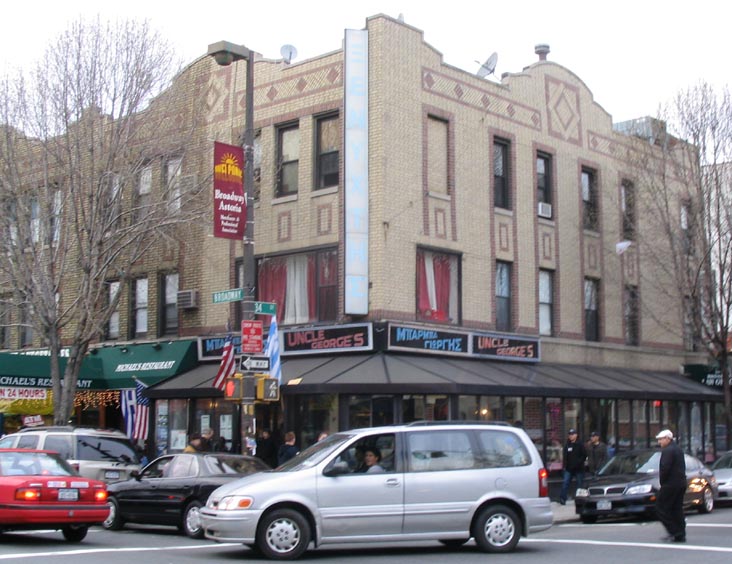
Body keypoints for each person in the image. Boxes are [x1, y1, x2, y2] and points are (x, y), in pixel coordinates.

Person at [656, 429, 687, 543]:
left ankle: (674, 531)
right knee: (677, 508)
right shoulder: (678, 449)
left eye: (661, 439)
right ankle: (680, 533)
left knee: (661, 508)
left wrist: (662, 483)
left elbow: (665, 468)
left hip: (670, 484)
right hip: (681, 483)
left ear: (668, 438)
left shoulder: (668, 451)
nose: (659, 442)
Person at [559, 428, 587, 505]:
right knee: (565, 483)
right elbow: (565, 457)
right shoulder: (567, 445)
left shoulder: (580, 444)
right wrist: (564, 466)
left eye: (572, 434)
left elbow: (584, 455)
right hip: (569, 469)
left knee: (579, 484)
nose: (571, 436)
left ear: (576, 435)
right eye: (570, 435)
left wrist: (579, 463)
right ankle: (562, 498)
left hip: (579, 469)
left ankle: (579, 500)